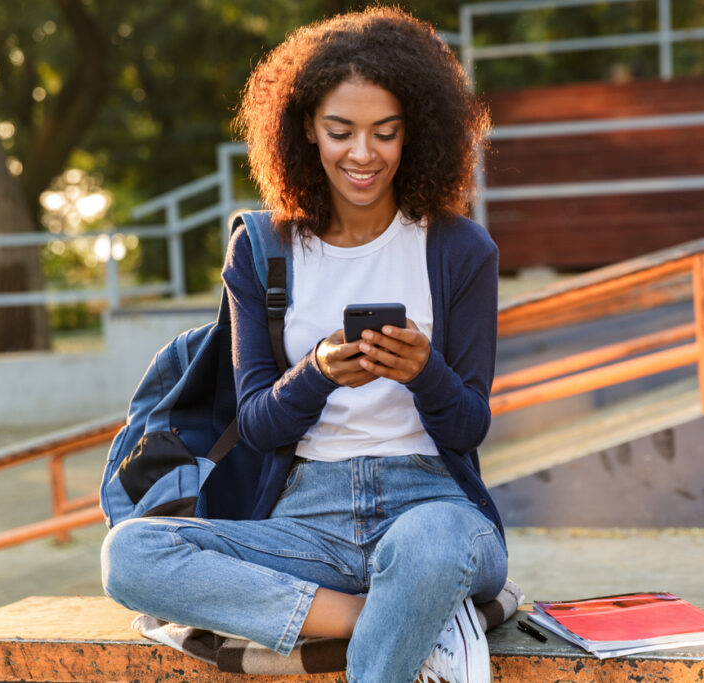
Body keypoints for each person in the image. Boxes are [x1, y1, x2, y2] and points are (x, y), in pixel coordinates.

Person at [101, 8, 506, 682]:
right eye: (340, 131)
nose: (363, 153)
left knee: (428, 543)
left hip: (434, 505)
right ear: (305, 132)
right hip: (307, 519)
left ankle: (406, 603)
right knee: (131, 553)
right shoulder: (261, 248)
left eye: (386, 132)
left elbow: (471, 423)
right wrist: (316, 371)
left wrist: (422, 371)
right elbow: (258, 421)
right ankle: (391, 617)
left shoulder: (460, 249)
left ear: (417, 133)